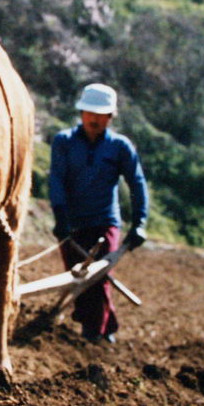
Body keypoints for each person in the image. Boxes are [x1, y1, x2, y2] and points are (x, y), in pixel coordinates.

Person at [49, 83, 149, 343]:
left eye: (100, 114)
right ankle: (106, 326)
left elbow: (136, 183)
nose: (93, 119)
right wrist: (60, 218)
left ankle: (93, 335)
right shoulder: (64, 142)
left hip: (104, 222)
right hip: (71, 225)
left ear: (110, 116)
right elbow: (57, 180)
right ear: (81, 113)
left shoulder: (120, 147)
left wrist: (140, 223)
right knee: (78, 278)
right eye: (89, 113)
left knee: (98, 279)